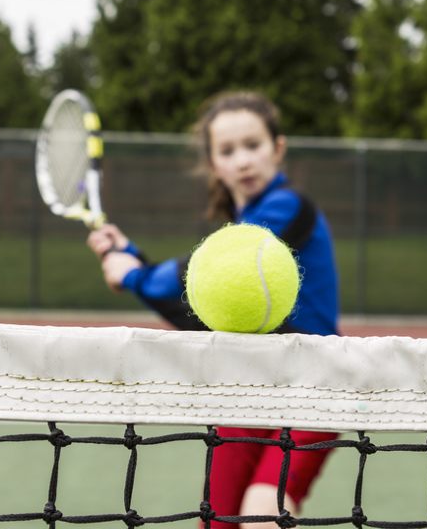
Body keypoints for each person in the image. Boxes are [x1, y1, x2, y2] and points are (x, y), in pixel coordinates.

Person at [86, 91, 339, 529]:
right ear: (213, 163)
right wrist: (132, 258)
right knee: (217, 521)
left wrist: (132, 275)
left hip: (314, 388)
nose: (243, 160)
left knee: (263, 513)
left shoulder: (287, 208)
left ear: (278, 149)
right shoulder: (234, 234)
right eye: (228, 150)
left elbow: (193, 276)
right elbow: (193, 307)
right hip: (246, 390)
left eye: (253, 145)